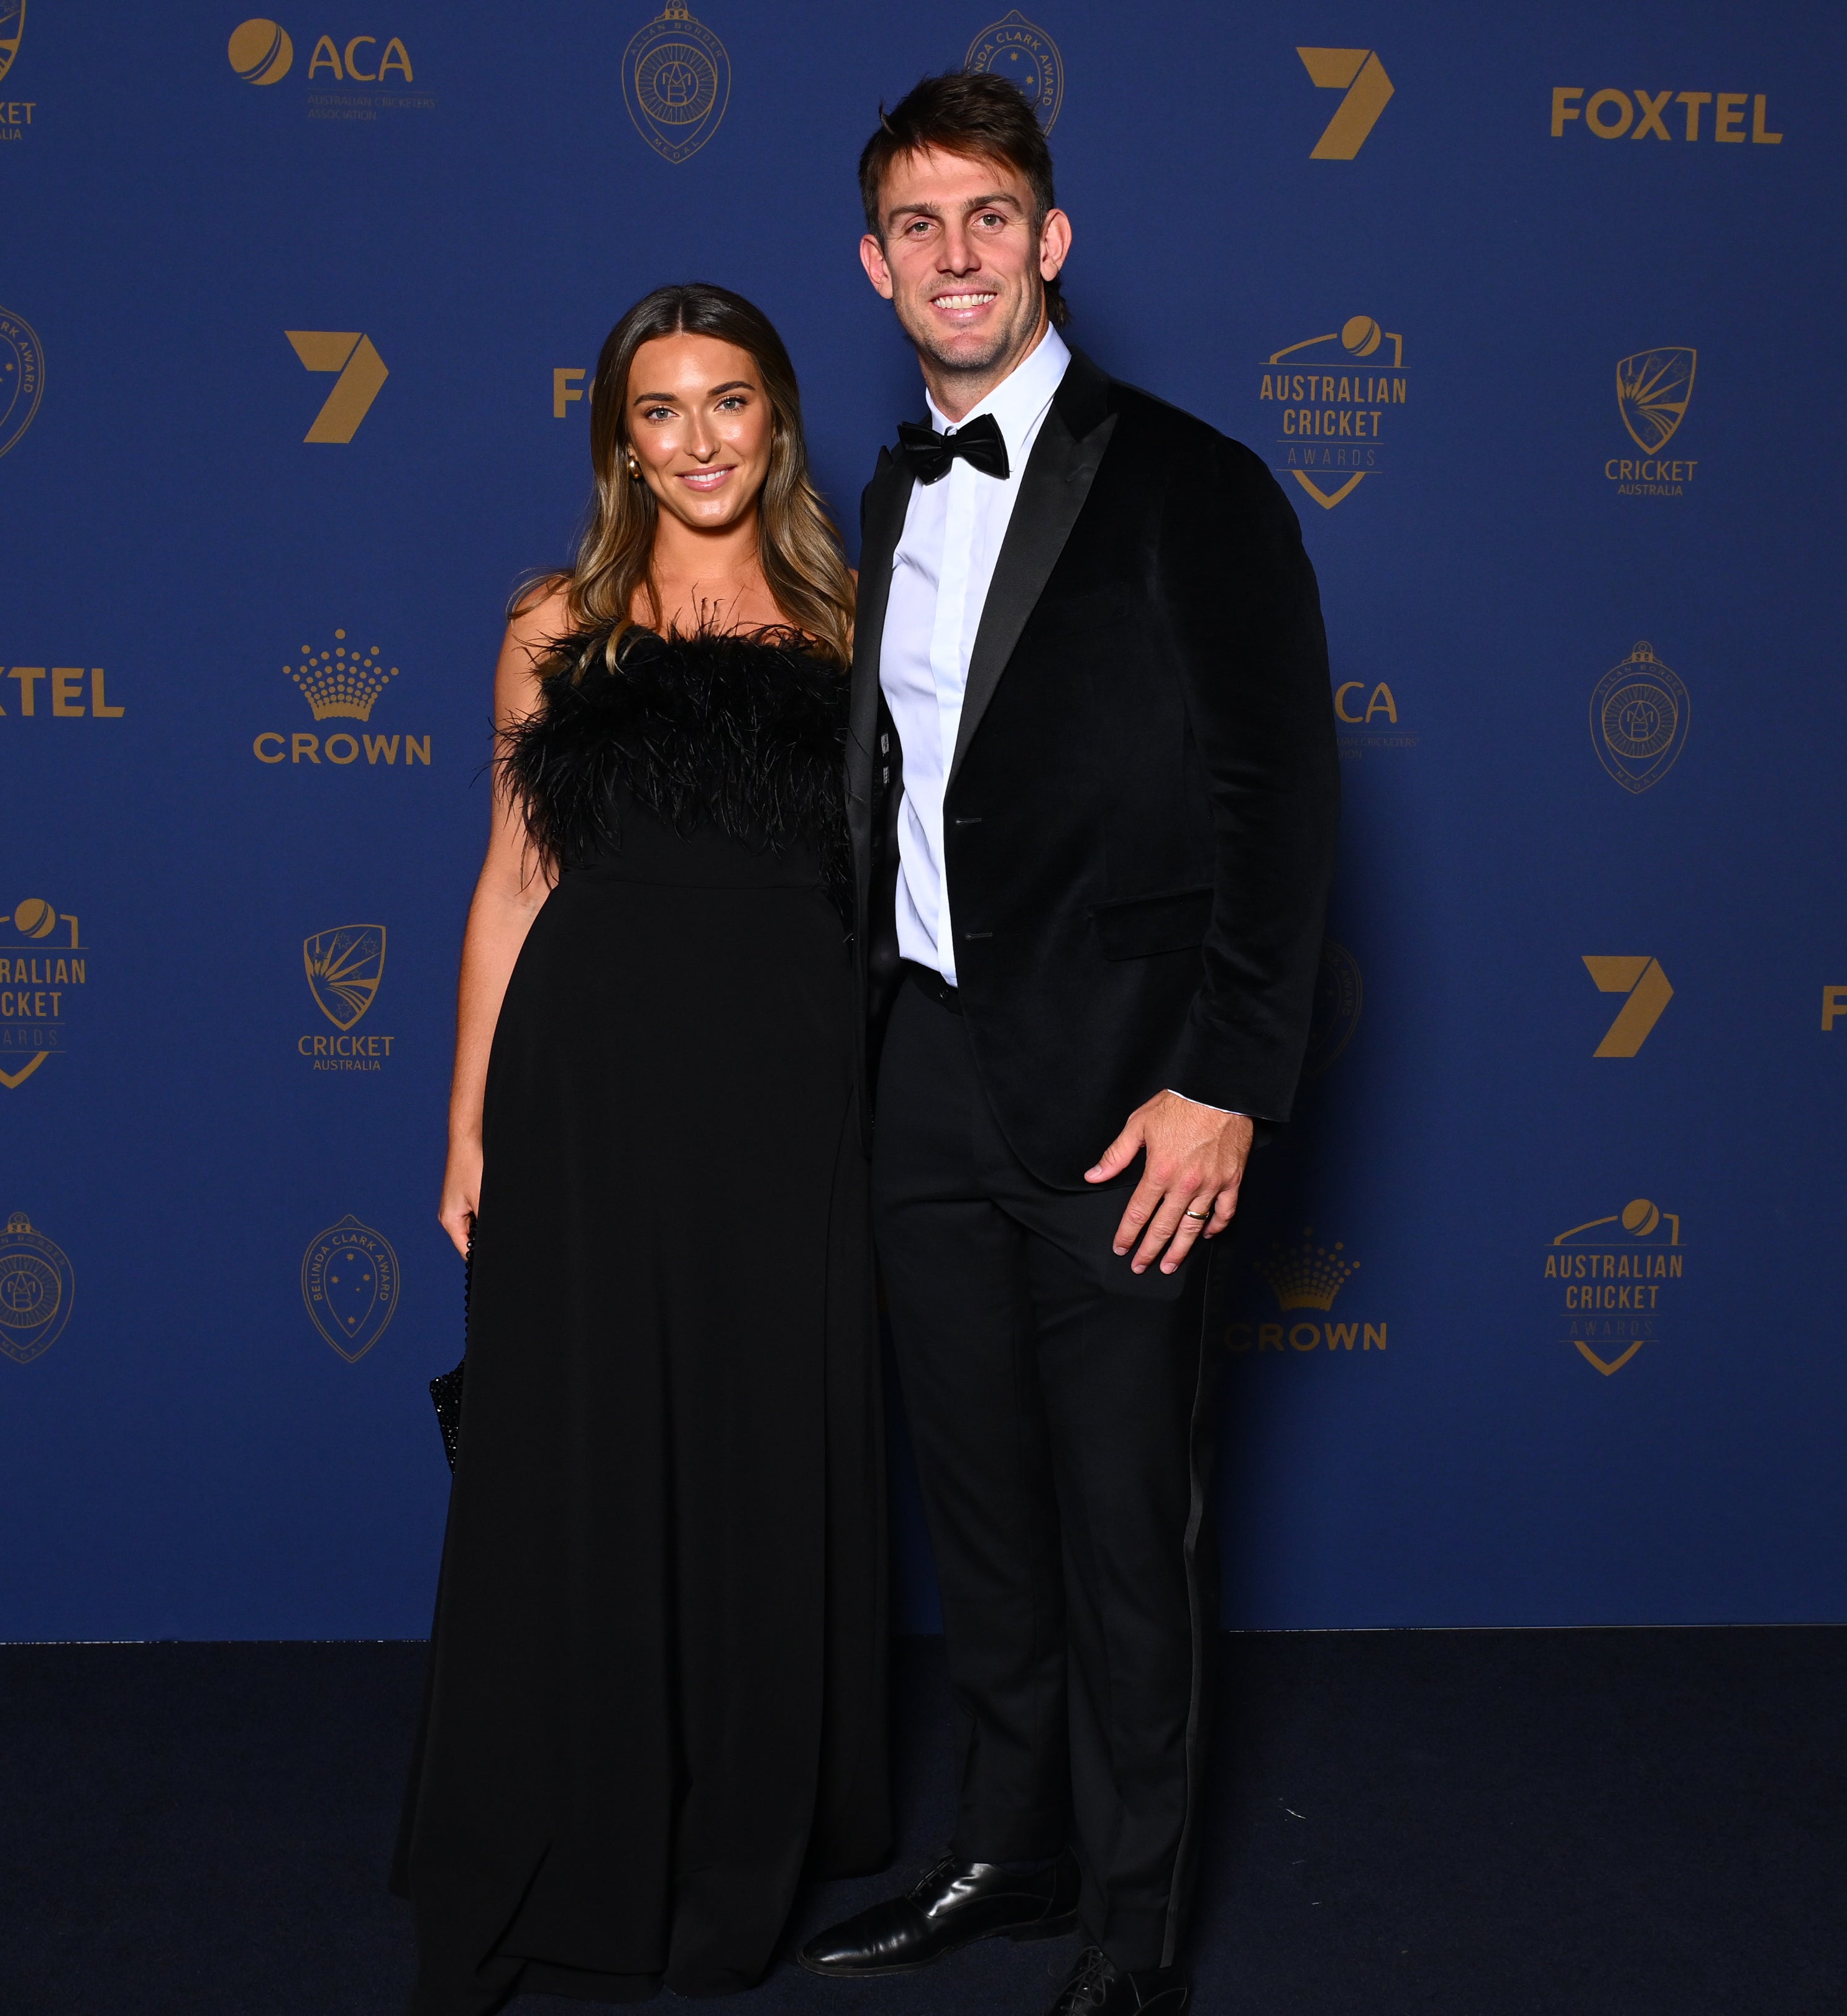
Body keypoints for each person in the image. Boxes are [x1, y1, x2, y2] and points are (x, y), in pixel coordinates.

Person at [795, 74, 1341, 2016]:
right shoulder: (881, 492)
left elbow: (1284, 811)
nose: (957, 256)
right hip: (923, 1080)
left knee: (1125, 1525)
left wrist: (1229, 1084)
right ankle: (1006, 1849)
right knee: (984, 1510)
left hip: (1132, 1095)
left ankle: (1127, 1929)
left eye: (990, 218)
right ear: (876, 267)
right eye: (918, 229)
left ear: (1053, 240)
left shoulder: (1193, 481)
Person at [393, 283, 890, 2015]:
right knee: (584, 1443)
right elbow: (512, 884)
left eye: (729, 402)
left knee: (760, 1442)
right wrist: (467, 1121)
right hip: (588, 1090)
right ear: (619, 435)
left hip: (787, 1088)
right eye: (660, 410)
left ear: (777, 420)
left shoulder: (848, 616)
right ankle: (573, 1816)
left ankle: (742, 1823)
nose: (697, 440)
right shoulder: (557, 620)